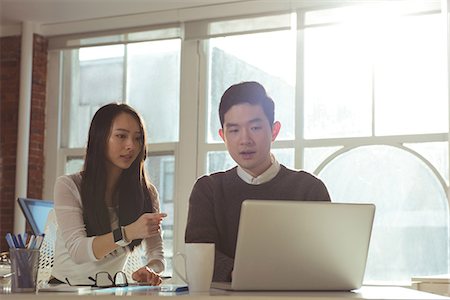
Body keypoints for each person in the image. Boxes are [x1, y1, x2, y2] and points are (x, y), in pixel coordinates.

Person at [185, 81, 331, 282]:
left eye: (255, 127)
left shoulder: (309, 189)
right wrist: (242, 273)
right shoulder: (208, 190)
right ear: (223, 136)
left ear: (274, 130)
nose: (245, 139)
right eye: (234, 130)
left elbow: (325, 256)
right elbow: (199, 252)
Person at [52, 103, 166, 286]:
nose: (131, 145)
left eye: (137, 138)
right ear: (100, 138)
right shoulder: (69, 186)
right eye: (121, 136)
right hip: (64, 290)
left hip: (108, 291)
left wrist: (151, 268)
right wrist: (128, 233)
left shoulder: (147, 193)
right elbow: (78, 250)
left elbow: (157, 254)